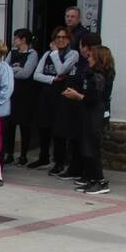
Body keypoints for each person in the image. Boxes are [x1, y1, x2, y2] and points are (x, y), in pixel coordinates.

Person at [63, 43, 115, 195]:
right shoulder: (92, 74)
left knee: (92, 148)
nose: (88, 58)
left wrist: (77, 95)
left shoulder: (99, 76)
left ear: (99, 58)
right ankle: (92, 179)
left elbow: (94, 99)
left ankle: (100, 181)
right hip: (89, 114)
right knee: (86, 147)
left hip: (95, 115)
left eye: (91, 56)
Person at [27, 27, 78, 170]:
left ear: (69, 39)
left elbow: (62, 70)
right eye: (58, 37)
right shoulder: (47, 54)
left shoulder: (73, 54)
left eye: (63, 37)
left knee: (59, 129)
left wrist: (55, 54)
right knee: (44, 126)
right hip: (47, 93)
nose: (60, 40)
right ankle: (43, 157)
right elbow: (36, 75)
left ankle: (59, 161)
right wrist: (51, 79)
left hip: (62, 95)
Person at [5, 29, 40, 165]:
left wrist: (13, 71)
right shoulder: (12, 53)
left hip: (26, 94)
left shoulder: (32, 54)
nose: (14, 40)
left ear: (24, 39)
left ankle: (24, 154)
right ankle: (9, 153)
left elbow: (26, 73)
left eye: (16, 38)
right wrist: (16, 70)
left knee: (25, 125)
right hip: (12, 93)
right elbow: (5, 70)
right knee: (10, 125)